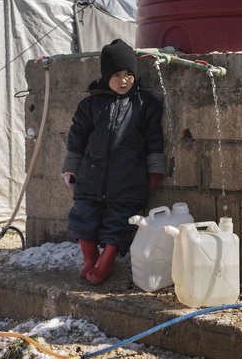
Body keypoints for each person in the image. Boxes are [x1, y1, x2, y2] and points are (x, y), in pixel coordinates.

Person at [60, 39, 166, 284]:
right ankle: (89, 259)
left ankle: (106, 262)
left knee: (119, 221)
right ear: (106, 76)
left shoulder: (145, 105)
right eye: (117, 74)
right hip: (91, 174)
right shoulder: (90, 104)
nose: (124, 80)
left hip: (128, 177)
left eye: (129, 74)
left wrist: (154, 171)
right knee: (83, 215)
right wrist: (71, 166)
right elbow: (77, 137)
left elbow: (154, 140)